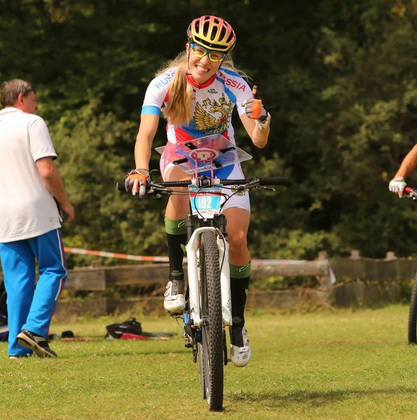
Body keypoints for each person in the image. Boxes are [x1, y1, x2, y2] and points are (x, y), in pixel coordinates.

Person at [126, 15, 271, 367]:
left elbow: (258, 141)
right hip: (180, 156)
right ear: (189, 46)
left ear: (224, 58)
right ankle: (176, 277)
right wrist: (141, 169)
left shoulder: (235, 84)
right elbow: (146, 133)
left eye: (215, 54)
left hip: (224, 159)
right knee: (177, 191)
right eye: (200, 50)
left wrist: (262, 117)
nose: (205, 60)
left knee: (238, 238)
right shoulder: (163, 83)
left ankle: (238, 324)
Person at [0, 79, 74, 359]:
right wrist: (64, 203)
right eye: (34, 99)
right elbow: (46, 170)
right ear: (21, 98)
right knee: (54, 269)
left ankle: (17, 348)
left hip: (3, 215)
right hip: (37, 211)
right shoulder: (32, 122)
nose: (37, 105)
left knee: (16, 281)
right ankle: (33, 330)